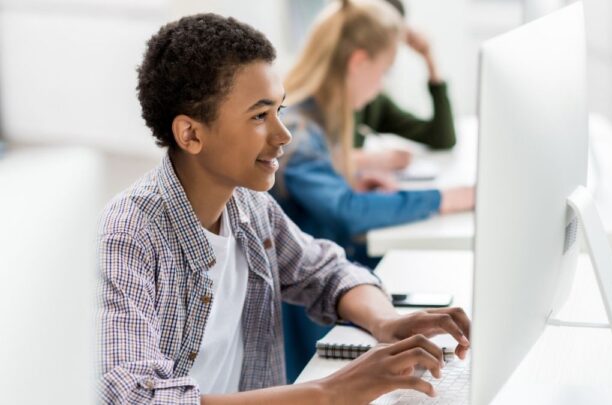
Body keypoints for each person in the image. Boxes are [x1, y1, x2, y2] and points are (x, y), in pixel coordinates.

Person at [96, 13, 471, 404]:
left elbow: (325, 271)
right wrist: (330, 391)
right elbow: (136, 399)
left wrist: (387, 322)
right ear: (191, 134)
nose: (284, 134)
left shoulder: (250, 207)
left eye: (280, 110)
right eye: (260, 116)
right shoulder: (128, 237)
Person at [271, 0, 475, 382]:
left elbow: (328, 195)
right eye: (383, 72)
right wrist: (443, 199)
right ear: (358, 62)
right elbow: (347, 211)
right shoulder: (296, 128)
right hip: (307, 319)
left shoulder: (321, 119)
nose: (382, 84)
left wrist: (348, 178)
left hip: (332, 294)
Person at [353, 0, 456, 173]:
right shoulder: (325, 96)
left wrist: (428, 57)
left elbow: (442, 138)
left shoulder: (373, 100)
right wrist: (376, 159)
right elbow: (315, 158)